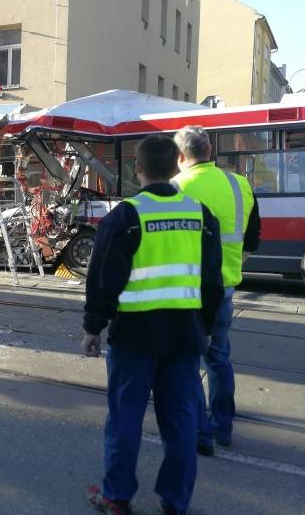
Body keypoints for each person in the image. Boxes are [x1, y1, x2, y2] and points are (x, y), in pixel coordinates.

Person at [83, 135, 223, 515]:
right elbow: (212, 281)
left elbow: (102, 279)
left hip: (134, 337)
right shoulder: (200, 215)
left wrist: (93, 327)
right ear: (177, 164)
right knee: (180, 422)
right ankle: (176, 502)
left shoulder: (125, 217)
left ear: (138, 168)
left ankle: (116, 497)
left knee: (125, 418)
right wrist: (206, 326)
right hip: (183, 336)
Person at [172, 125, 260, 456]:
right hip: (224, 288)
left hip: (190, 290)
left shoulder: (177, 187)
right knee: (219, 358)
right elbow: (253, 237)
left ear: (181, 157)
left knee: (188, 363)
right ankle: (223, 426)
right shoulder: (239, 184)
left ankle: (200, 432)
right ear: (209, 152)